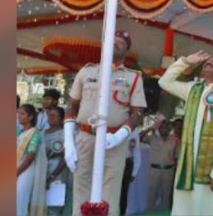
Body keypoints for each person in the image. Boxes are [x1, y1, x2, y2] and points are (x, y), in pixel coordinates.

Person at [64, 30, 147, 216]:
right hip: (85, 138)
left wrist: (119, 136)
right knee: (81, 189)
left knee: (110, 192)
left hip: (114, 142)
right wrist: (68, 141)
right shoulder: (86, 72)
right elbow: (72, 107)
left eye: (120, 42)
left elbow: (137, 114)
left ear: (127, 52)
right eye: (112, 39)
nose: (115, 42)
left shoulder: (133, 77)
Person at [158, 51, 213, 216]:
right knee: (184, 210)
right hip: (187, 167)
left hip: (211, 171)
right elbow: (164, 81)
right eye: (208, 60)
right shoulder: (191, 90)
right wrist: (185, 61)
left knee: (207, 210)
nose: (210, 61)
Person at [18, 103, 49, 216]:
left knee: (20, 200)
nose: (19, 116)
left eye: (22, 114)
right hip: (16, 167)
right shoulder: (18, 133)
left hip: (25, 170)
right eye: (18, 114)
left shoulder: (35, 134)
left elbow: (30, 157)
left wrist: (16, 172)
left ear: (30, 116)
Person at [141, 115, 175, 212]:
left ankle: (166, 213)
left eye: (166, 127)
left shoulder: (174, 139)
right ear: (158, 129)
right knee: (152, 195)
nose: (164, 129)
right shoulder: (152, 138)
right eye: (161, 127)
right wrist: (151, 128)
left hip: (169, 171)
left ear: (169, 128)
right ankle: (149, 213)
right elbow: (138, 137)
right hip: (154, 170)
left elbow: (177, 155)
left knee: (166, 197)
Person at [45, 107, 72, 216]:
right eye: (49, 115)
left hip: (58, 171)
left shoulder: (64, 134)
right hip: (43, 169)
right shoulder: (42, 132)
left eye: (54, 116)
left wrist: (52, 176)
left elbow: (65, 156)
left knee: (55, 202)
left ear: (61, 119)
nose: (50, 118)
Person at [119, 116, 143, 215]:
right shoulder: (114, 128)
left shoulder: (134, 132)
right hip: (114, 162)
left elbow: (137, 152)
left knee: (123, 193)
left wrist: (134, 172)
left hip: (127, 163)